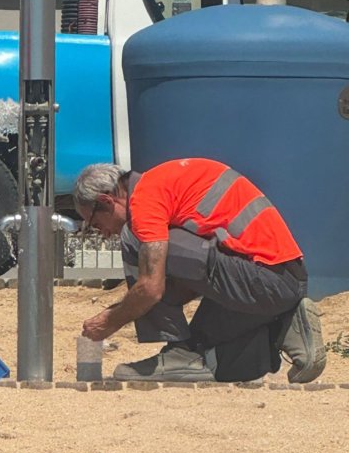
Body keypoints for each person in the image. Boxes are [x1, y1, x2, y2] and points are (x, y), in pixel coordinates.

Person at [74, 158, 325, 383]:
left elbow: (152, 288)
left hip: (268, 280)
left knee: (136, 241)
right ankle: (284, 325)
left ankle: (179, 350)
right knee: (203, 351)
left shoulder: (144, 201)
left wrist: (110, 321)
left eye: (97, 224)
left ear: (106, 201)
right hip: (279, 279)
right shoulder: (162, 182)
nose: (104, 234)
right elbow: (184, 280)